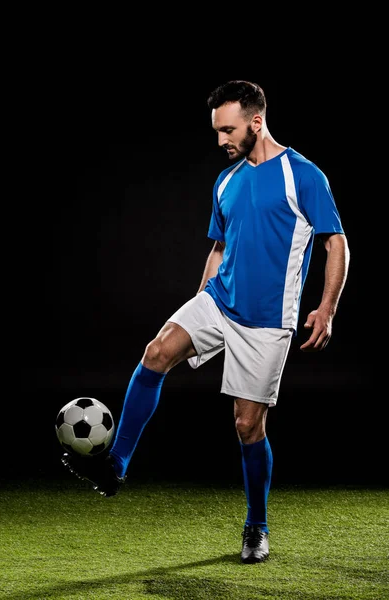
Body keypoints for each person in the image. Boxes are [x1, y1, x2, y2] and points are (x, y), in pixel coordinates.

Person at [62, 80, 350, 564]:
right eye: (217, 131)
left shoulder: (303, 175)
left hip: (267, 322)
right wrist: (198, 305)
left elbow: (335, 243)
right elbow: (218, 247)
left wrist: (326, 308)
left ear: (256, 121)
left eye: (229, 130)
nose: (221, 140)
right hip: (220, 300)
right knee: (156, 353)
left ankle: (256, 526)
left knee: (247, 428)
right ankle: (116, 467)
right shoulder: (226, 181)